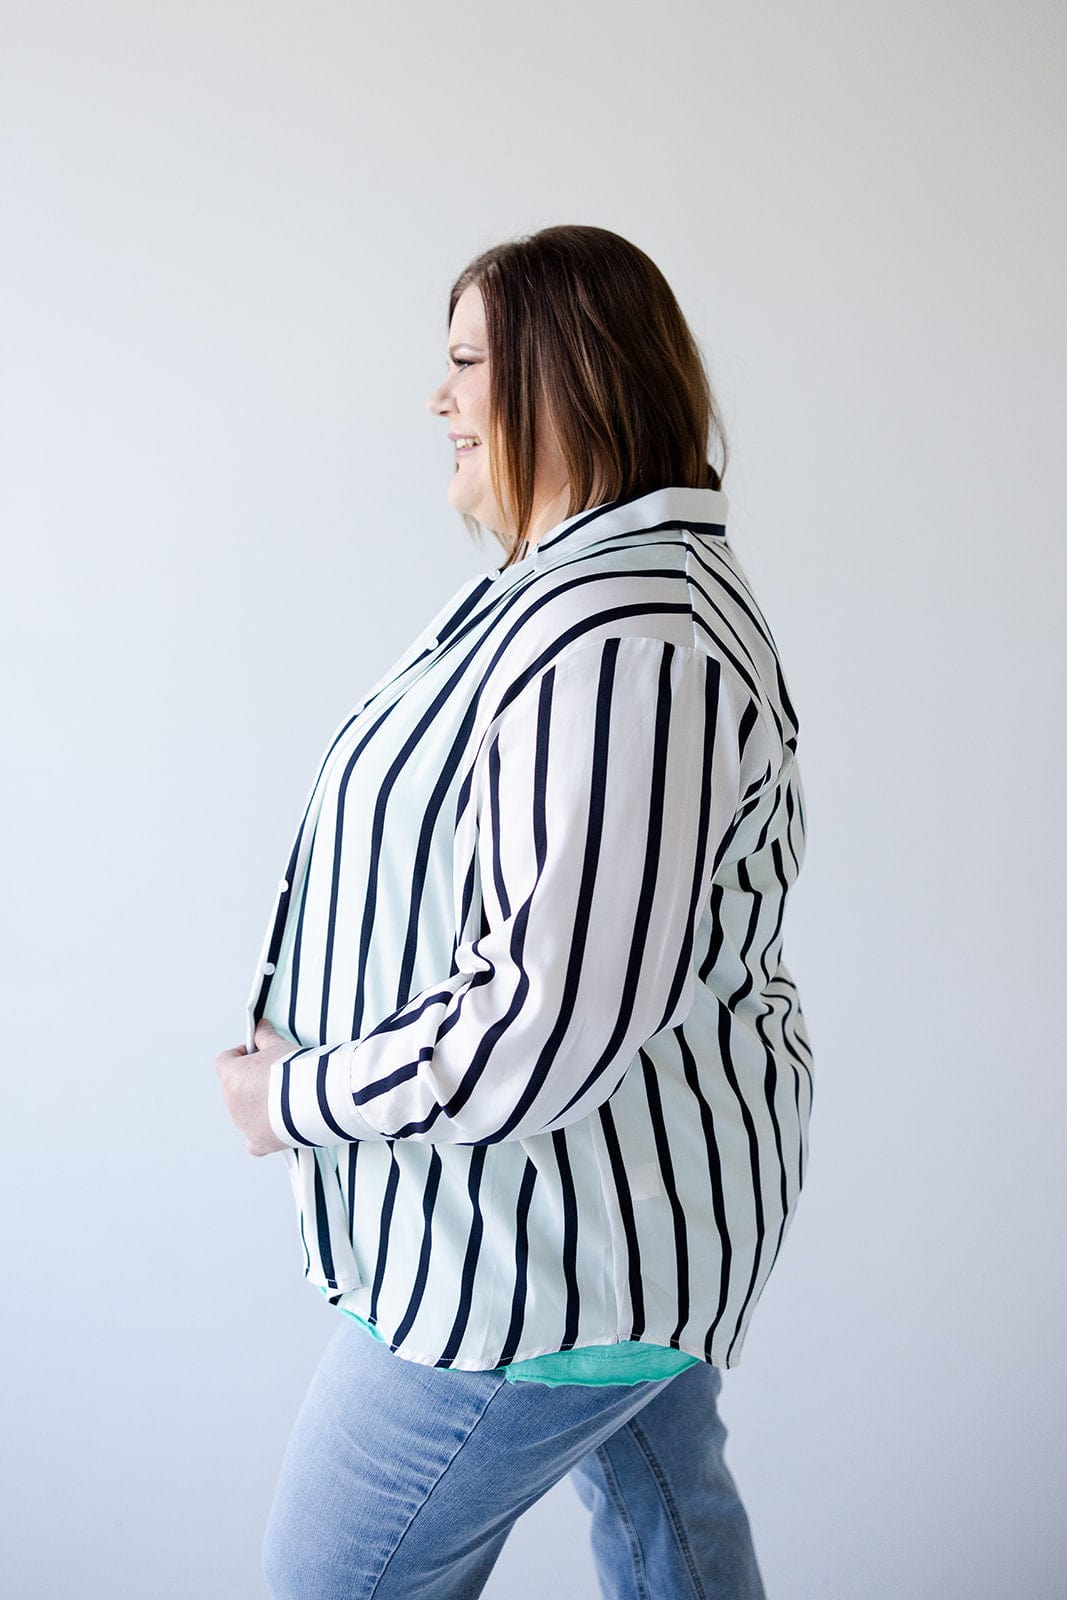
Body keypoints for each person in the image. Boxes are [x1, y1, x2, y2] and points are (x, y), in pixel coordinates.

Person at [216, 223, 814, 1599]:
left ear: (574, 375)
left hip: (538, 1239)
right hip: (607, 1211)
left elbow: (542, 1027)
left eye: (468, 362)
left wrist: (293, 1094)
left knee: (335, 1581)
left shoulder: (622, 639)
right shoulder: (572, 598)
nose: (437, 399)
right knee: (671, 1526)